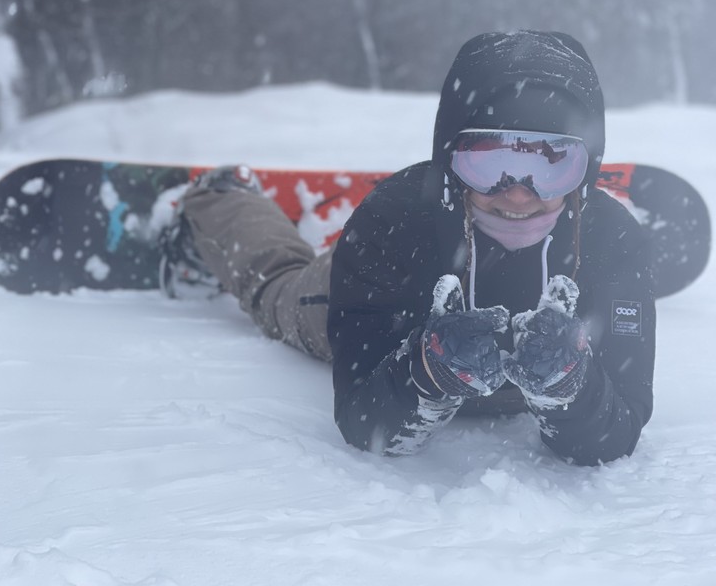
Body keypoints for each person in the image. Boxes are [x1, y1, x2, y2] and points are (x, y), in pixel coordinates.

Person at [163, 30, 655, 467]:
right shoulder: (391, 223)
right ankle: (222, 199)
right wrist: (427, 370)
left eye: (552, 165)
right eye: (490, 162)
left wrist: (571, 385)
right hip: (395, 301)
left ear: (586, 175)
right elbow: (365, 424)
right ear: (449, 160)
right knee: (279, 288)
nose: (519, 193)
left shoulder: (613, 243)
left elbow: (619, 432)